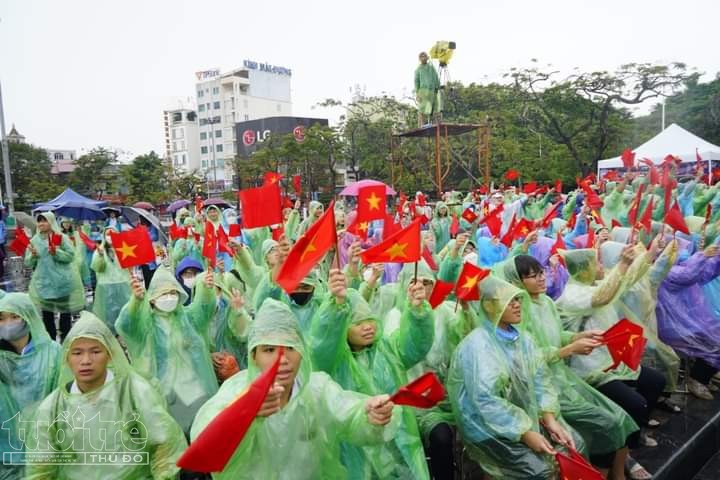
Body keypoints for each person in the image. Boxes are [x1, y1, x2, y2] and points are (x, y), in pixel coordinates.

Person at [191, 298, 398, 479]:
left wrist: (370, 415)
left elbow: (351, 415)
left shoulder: (317, 389)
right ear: (254, 355)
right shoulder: (235, 391)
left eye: (290, 348)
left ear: (302, 351)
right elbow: (205, 445)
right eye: (269, 350)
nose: (282, 359)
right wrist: (244, 415)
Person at [503, 255, 639, 478]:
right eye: (532, 276)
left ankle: (615, 471)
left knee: (619, 418)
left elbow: (556, 336)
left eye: (541, 272)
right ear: (517, 282)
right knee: (606, 423)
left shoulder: (546, 302)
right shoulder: (518, 311)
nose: (541, 278)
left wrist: (577, 336)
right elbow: (527, 358)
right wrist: (568, 350)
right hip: (542, 387)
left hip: (561, 377)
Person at [447, 274, 585, 479]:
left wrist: (549, 418)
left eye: (518, 299)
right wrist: (526, 433)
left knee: (575, 444)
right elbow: (485, 401)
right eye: (509, 301)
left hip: (522, 418)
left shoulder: (523, 340)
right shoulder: (478, 347)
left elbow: (540, 380)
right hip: (485, 428)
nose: (517, 305)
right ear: (489, 306)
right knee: (541, 471)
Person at [24, 311, 187, 479]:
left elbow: (164, 443)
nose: (86, 360)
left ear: (110, 355)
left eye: (95, 351)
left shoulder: (134, 392)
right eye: (77, 353)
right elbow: (41, 464)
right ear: (67, 358)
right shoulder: (54, 406)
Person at [310, 269, 433, 479]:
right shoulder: (335, 361)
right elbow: (322, 343)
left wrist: (417, 312)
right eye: (357, 323)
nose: (367, 327)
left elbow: (415, 346)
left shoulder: (387, 348)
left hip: (397, 443)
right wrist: (336, 307)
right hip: (355, 449)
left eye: (370, 320)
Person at [115, 266, 219, 435]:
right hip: (162, 390)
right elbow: (127, 325)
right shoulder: (146, 324)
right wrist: (135, 302)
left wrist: (206, 290)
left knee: (201, 429)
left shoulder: (187, 318)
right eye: (163, 294)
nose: (169, 297)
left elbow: (203, 310)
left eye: (173, 293)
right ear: (153, 298)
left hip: (194, 385)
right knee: (172, 434)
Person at [24, 212, 85, 342]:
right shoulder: (34, 241)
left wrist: (56, 252)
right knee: (47, 314)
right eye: (39, 221)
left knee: (65, 313)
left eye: (44, 221)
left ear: (51, 222)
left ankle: (66, 340)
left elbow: (70, 256)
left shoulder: (60, 237)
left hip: (62, 281)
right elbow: (28, 262)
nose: (41, 224)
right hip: (44, 282)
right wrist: (33, 255)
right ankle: (51, 341)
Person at [90, 228, 131, 332]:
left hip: (123, 284)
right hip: (106, 285)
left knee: (124, 311)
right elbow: (97, 267)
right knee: (109, 314)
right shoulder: (100, 250)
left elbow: (130, 266)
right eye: (108, 234)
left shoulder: (124, 248)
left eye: (113, 234)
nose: (110, 236)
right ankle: (111, 334)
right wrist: (100, 255)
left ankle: (124, 333)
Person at [414, 51, 441, 126]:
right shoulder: (418, 69)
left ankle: (437, 124)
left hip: (432, 90)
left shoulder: (431, 67)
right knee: (422, 108)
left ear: (427, 57)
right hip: (423, 91)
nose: (423, 58)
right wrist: (417, 93)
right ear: (419, 59)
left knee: (435, 107)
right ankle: (421, 125)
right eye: (421, 56)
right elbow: (416, 82)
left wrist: (437, 87)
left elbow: (436, 77)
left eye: (424, 56)